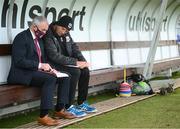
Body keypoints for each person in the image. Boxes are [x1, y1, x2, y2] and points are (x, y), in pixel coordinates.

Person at [7, 16, 75, 126]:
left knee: (65, 76)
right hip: (21, 73)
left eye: (46, 30)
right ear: (34, 27)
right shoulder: (21, 37)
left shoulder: (39, 40)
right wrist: (40, 65)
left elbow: (44, 59)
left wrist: (51, 68)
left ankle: (60, 109)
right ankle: (43, 116)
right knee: (50, 79)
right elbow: (19, 61)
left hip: (36, 71)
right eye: (43, 30)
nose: (45, 32)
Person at [43, 15, 97, 117]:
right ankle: (68, 106)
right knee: (75, 72)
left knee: (85, 70)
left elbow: (74, 48)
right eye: (63, 28)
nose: (64, 31)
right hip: (54, 64)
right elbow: (54, 56)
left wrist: (83, 61)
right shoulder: (48, 34)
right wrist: (75, 63)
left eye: (67, 30)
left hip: (66, 63)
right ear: (57, 25)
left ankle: (81, 103)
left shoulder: (67, 34)